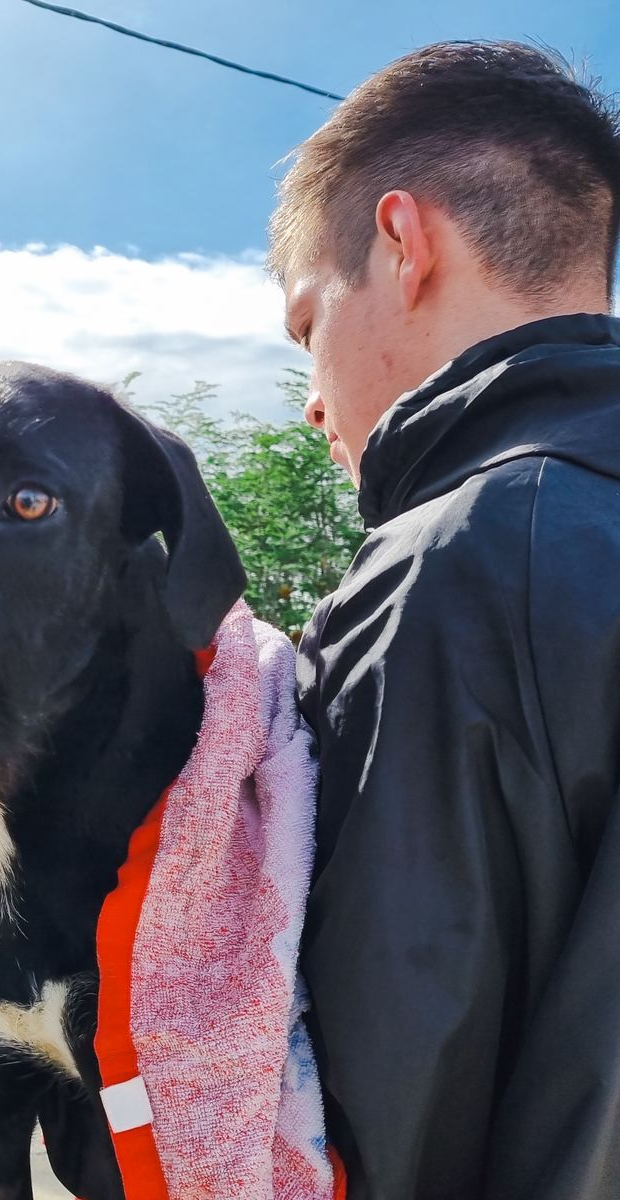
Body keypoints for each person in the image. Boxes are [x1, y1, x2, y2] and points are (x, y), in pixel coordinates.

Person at [270, 40, 620, 1200]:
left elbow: (366, 1132)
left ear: (404, 244)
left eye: (305, 324)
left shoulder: (460, 559)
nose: (314, 397)